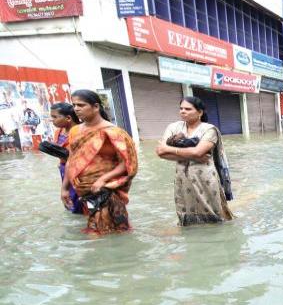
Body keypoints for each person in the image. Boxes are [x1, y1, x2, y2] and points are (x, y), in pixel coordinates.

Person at [62, 90, 138, 234]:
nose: (76, 109)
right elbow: (71, 160)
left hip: (105, 190)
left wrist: (103, 180)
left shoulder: (113, 132)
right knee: (97, 229)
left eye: (81, 105)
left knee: (108, 231)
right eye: (74, 105)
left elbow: (127, 163)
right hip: (84, 189)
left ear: (96, 107)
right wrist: (65, 188)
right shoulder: (75, 131)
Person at [156, 97, 234, 226]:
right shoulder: (174, 127)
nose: (183, 111)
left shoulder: (209, 130)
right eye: (181, 108)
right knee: (186, 216)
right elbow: (160, 152)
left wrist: (169, 148)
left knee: (214, 216)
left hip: (205, 178)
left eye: (188, 109)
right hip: (182, 178)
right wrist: (194, 156)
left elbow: (197, 152)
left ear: (200, 112)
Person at [50, 102, 82, 214]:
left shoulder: (80, 131)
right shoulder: (58, 132)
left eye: (54, 117)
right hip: (65, 168)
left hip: (79, 171)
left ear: (68, 118)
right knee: (70, 200)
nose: (52, 120)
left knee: (79, 201)